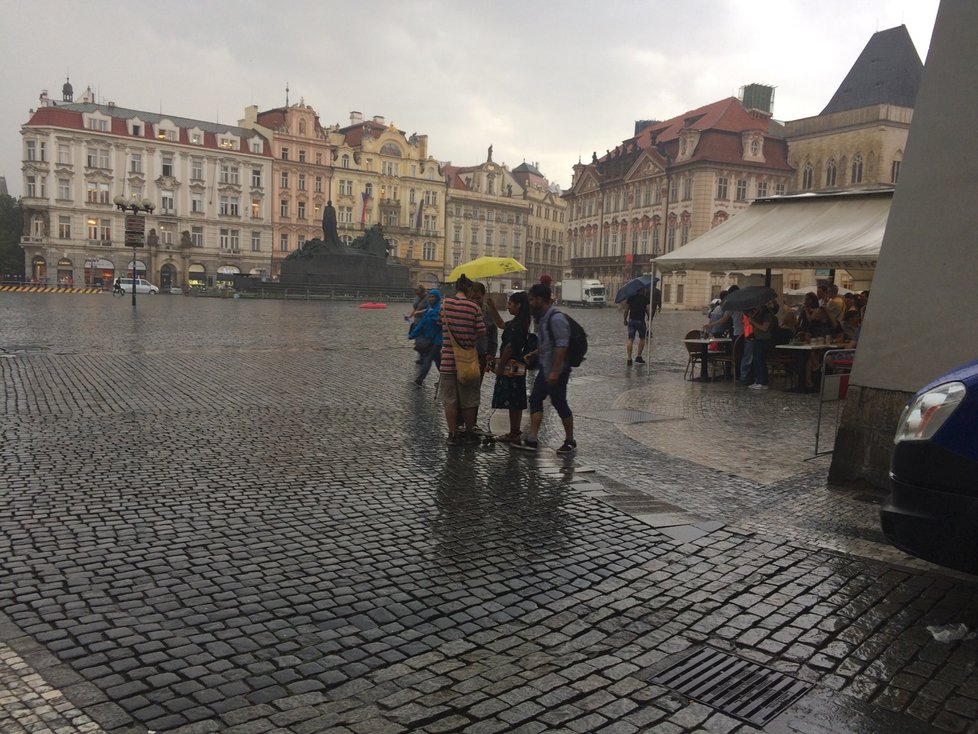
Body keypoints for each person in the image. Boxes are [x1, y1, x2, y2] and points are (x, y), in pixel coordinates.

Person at [513, 283, 576, 455]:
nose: (530, 303)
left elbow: (562, 346)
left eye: (532, 300)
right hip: (547, 368)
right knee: (535, 399)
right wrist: (534, 353)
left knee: (560, 404)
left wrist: (555, 371)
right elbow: (549, 344)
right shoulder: (544, 318)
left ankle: (570, 440)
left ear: (541, 299)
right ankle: (532, 439)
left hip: (558, 370)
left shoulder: (556, 318)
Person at [439, 275, 485, 445]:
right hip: (467, 361)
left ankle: (452, 434)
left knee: (450, 400)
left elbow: (440, 322)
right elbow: (481, 331)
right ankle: (469, 432)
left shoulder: (444, 305)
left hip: (448, 360)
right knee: (468, 399)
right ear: (469, 289)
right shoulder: (473, 307)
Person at [490, 291, 531, 442]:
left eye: (510, 304)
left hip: (511, 366)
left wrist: (500, 366)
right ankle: (515, 431)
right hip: (517, 366)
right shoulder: (520, 321)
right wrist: (492, 307)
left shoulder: (517, 324)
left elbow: (509, 347)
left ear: (518, 305)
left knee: (513, 400)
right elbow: (501, 324)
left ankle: (514, 431)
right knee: (516, 400)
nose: (508, 307)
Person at [408, 288, 442, 387]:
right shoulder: (429, 309)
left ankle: (419, 380)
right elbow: (422, 324)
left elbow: (439, 325)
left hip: (436, 341)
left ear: (437, 298)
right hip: (429, 340)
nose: (431, 299)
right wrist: (413, 334)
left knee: (428, 359)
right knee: (438, 361)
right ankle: (444, 379)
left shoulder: (438, 311)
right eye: (430, 296)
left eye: (433, 297)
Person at [745, 304, 774, 390]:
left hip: (764, 339)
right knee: (756, 360)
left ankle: (763, 381)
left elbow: (764, 328)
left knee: (761, 360)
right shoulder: (758, 314)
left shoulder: (767, 316)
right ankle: (758, 380)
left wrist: (754, 322)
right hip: (757, 338)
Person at [624, 286, 651, 365]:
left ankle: (629, 359)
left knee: (630, 339)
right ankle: (639, 356)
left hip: (632, 321)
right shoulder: (645, 299)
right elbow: (648, 310)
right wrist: (649, 317)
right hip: (641, 322)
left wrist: (625, 320)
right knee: (642, 338)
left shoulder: (631, 298)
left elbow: (626, 310)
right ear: (642, 290)